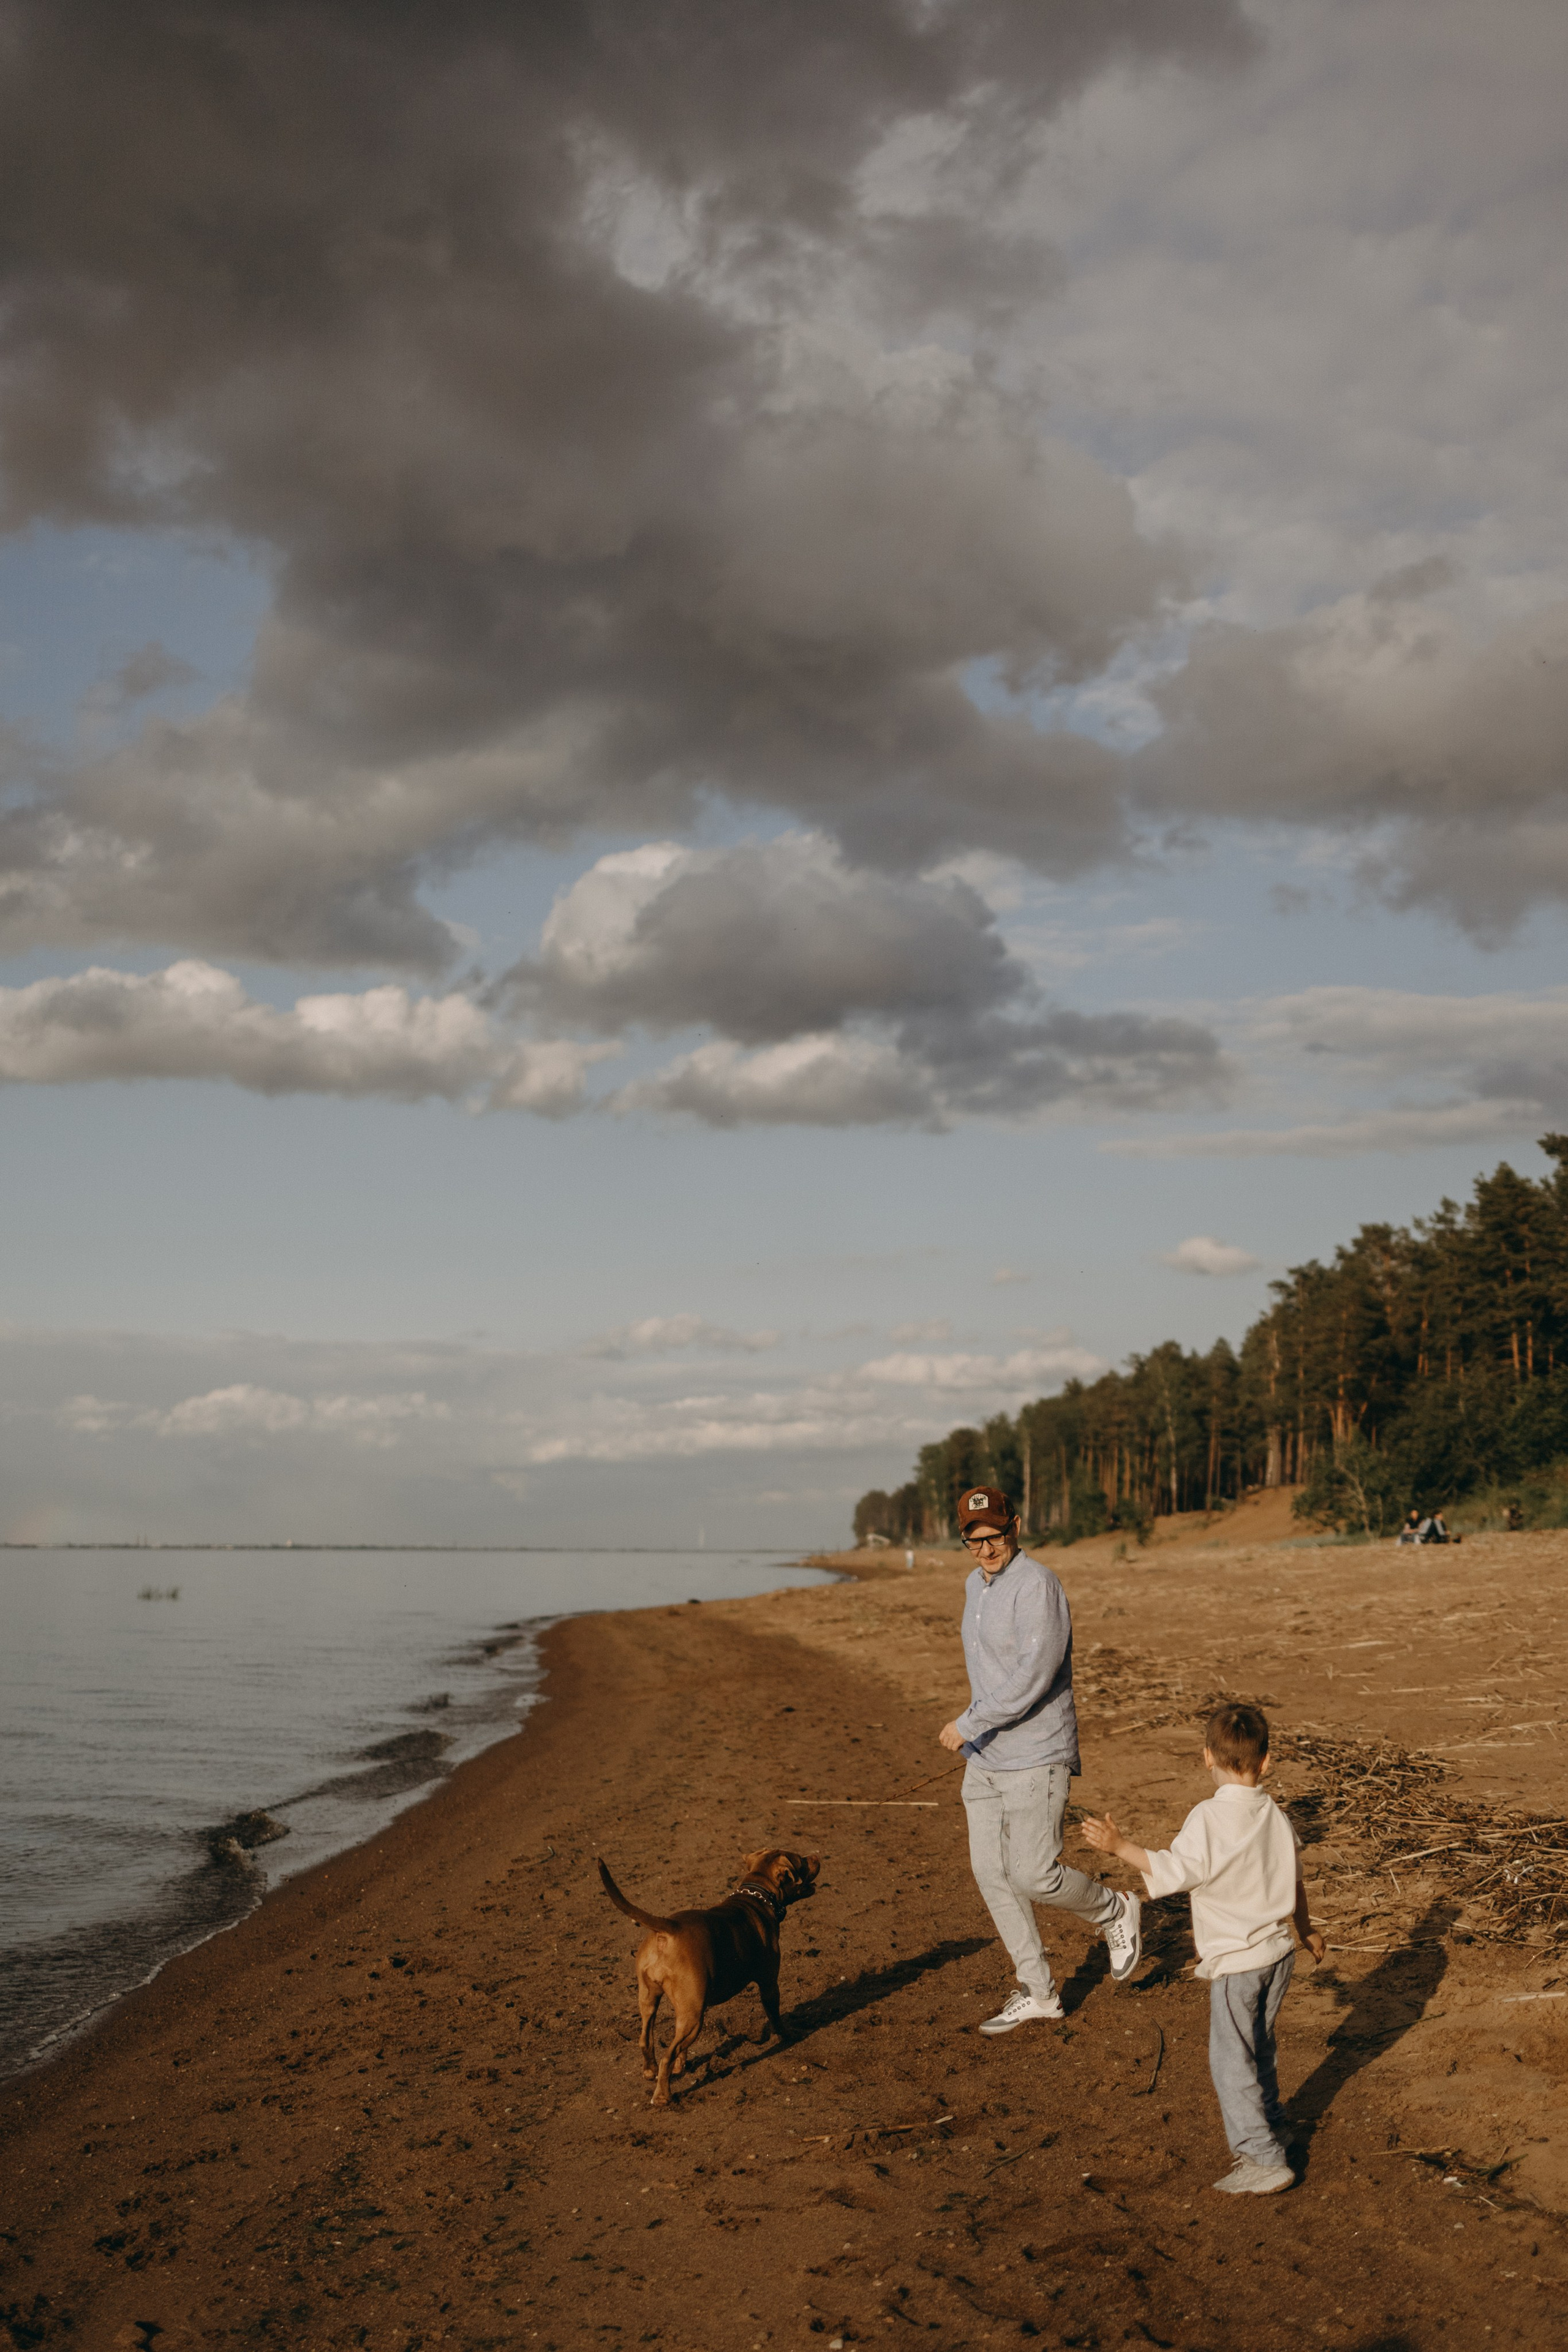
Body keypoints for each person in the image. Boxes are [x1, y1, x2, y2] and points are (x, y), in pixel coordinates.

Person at [1080, 1701, 1325, 2196]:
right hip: (1279, 1954)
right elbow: (1294, 1875)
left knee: (1231, 2058)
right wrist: (1305, 1928)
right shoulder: (1275, 1815)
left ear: (1206, 1758)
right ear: (1267, 1761)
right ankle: (1275, 2127)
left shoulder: (1209, 1817)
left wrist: (1120, 1848)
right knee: (1260, 2046)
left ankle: (1260, 2156)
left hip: (1237, 1962)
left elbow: (1174, 1870)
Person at [938, 1484, 1141, 2034]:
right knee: (992, 1875)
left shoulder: (1038, 1585)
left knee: (1032, 1873)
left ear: (1016, 1527)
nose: (986, 1549)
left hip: (1036, 1755)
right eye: (974, 1541)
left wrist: (968, 1723)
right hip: (985, 1761)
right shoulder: (972, 1587)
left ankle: (1114, 1911)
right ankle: (1039, 1992)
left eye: (995, 1537)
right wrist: (976, 1735)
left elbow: (1035, 1675)